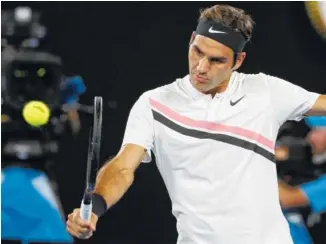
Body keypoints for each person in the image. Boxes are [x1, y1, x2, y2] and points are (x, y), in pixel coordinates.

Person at [66, 4, 326, 244]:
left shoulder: (266, 90)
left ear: (238, 61)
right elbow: (123, 166)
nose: (201, 67)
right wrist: (95, 208)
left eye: (216, 60)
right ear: (191, 39)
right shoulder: (154, 104)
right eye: (197, 51)